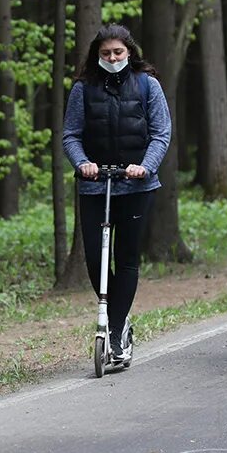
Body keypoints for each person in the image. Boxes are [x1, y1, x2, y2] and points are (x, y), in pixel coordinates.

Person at [62, 24, 171, 363]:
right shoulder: (83, 88)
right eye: (106, 53)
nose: (112, 58)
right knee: (96, 257)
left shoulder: (148, 85)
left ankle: (116, 330)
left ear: (129, 53)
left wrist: (146, 166)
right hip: (96, 185)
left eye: (118, 53)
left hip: (136, 184)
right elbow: (71, 135)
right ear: (98, 55)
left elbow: (161, 133)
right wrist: (82, 163)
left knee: (126, 258)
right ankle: (115, 324)